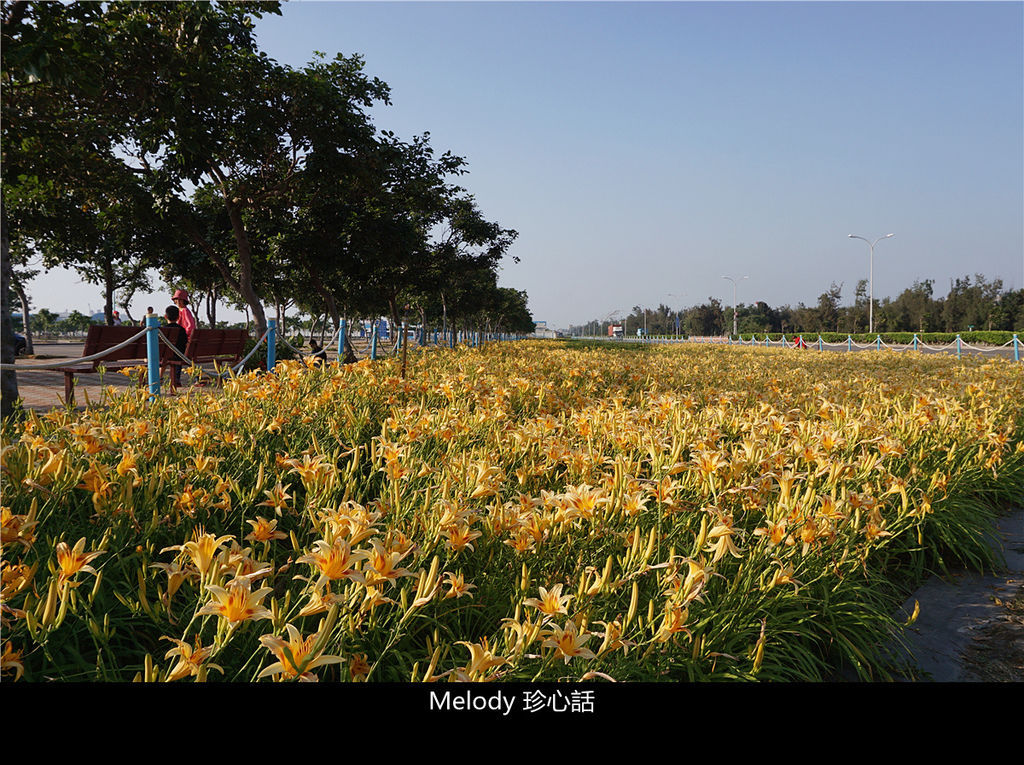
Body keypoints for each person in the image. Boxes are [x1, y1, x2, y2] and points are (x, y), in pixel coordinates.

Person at [162, 305, 189, 392]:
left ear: (165, 317)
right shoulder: (182, 330)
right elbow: (184, 343)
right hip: (179, 355)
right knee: (178, 355)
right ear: (178, 317)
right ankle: (176, 378)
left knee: (165, 357)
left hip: (164, 357)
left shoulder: (162, 330)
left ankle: (158, 378)